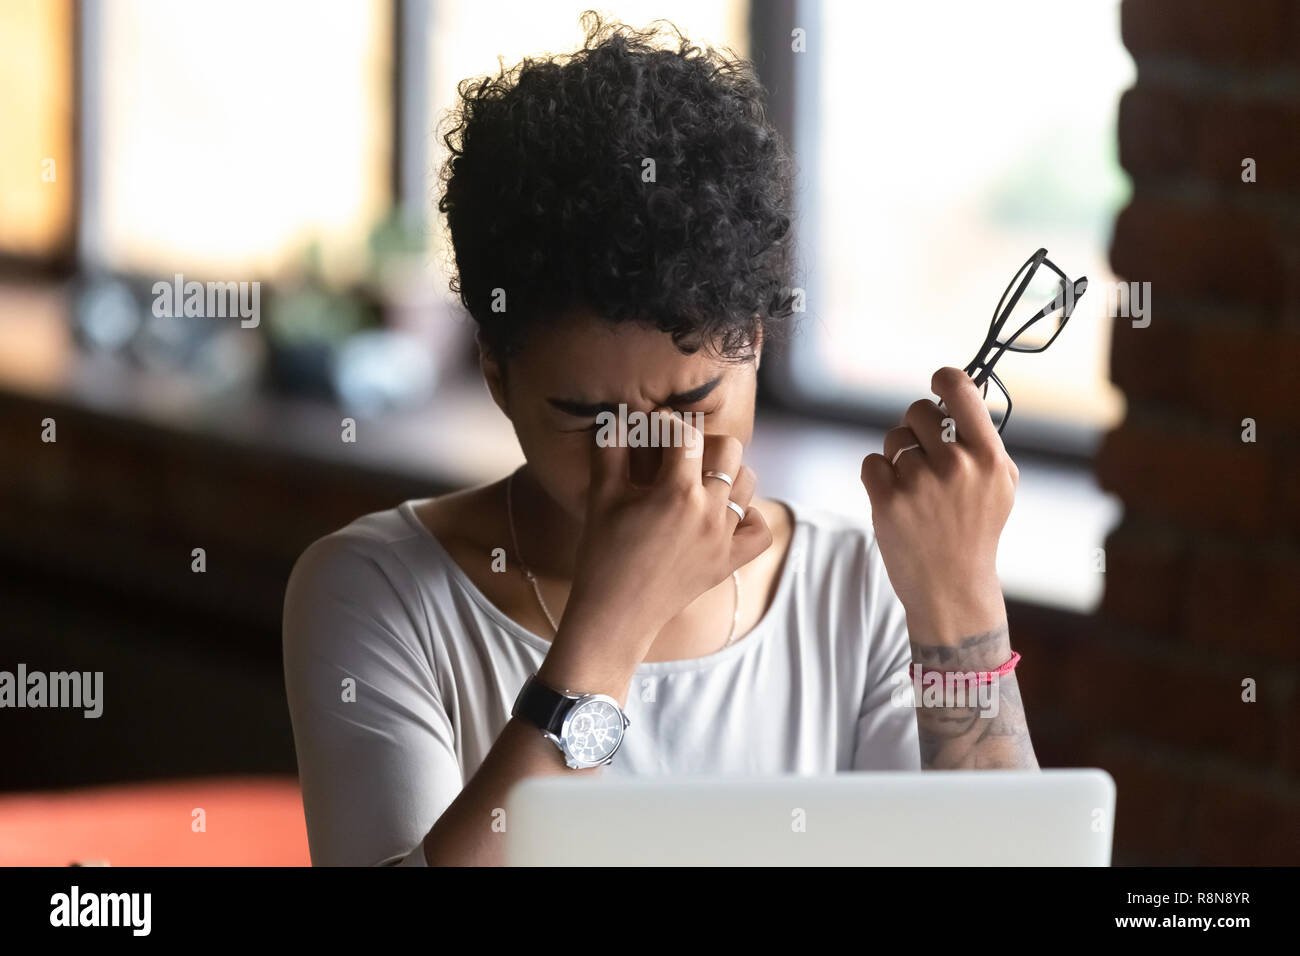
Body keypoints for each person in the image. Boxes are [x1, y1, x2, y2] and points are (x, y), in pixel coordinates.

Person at [282, 13, 1035, 867]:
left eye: (695, 400)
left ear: (754, 340)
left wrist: (962, 604)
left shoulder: (855, 591)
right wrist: (611, 628)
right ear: (495, 373)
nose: (652, 456)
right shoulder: (378, 592)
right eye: (590, 417)